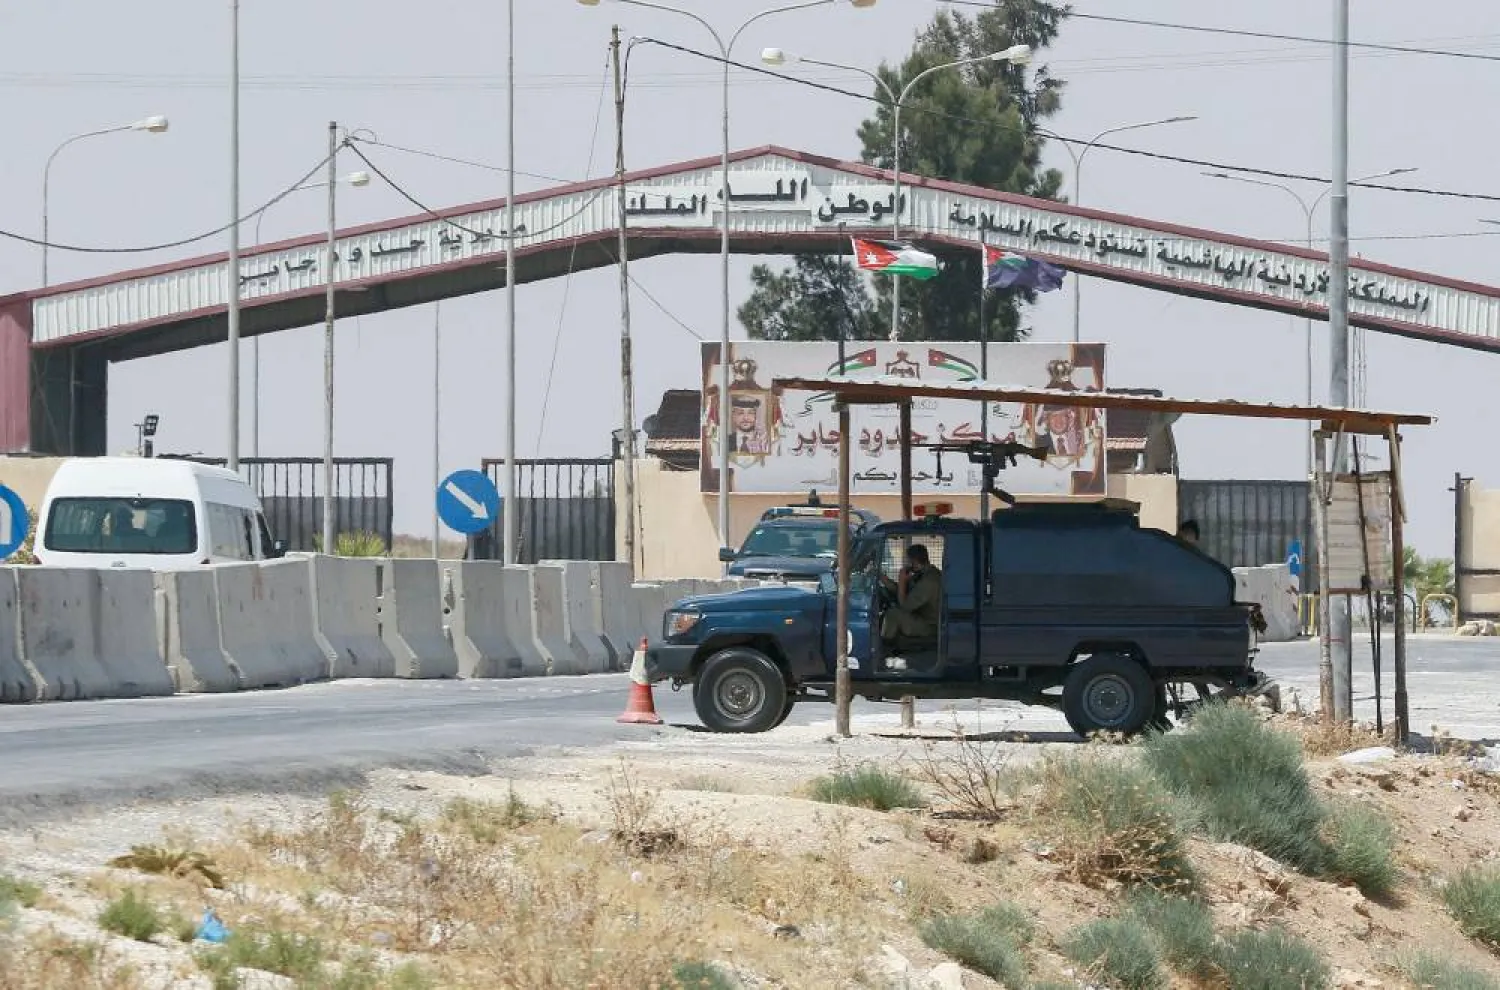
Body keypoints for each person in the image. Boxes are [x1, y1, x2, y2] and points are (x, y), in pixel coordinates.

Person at [877, 543, 943, 647]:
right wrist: (882, 578)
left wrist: (902, 581)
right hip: (921, 617)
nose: (907, 565)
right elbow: (902, 590)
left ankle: (884, 648)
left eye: (908, 561)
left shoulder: (929, 581)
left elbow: (904, 606)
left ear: (914, 561)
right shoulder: (923, 574)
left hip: (930, 625)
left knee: (893, 614)